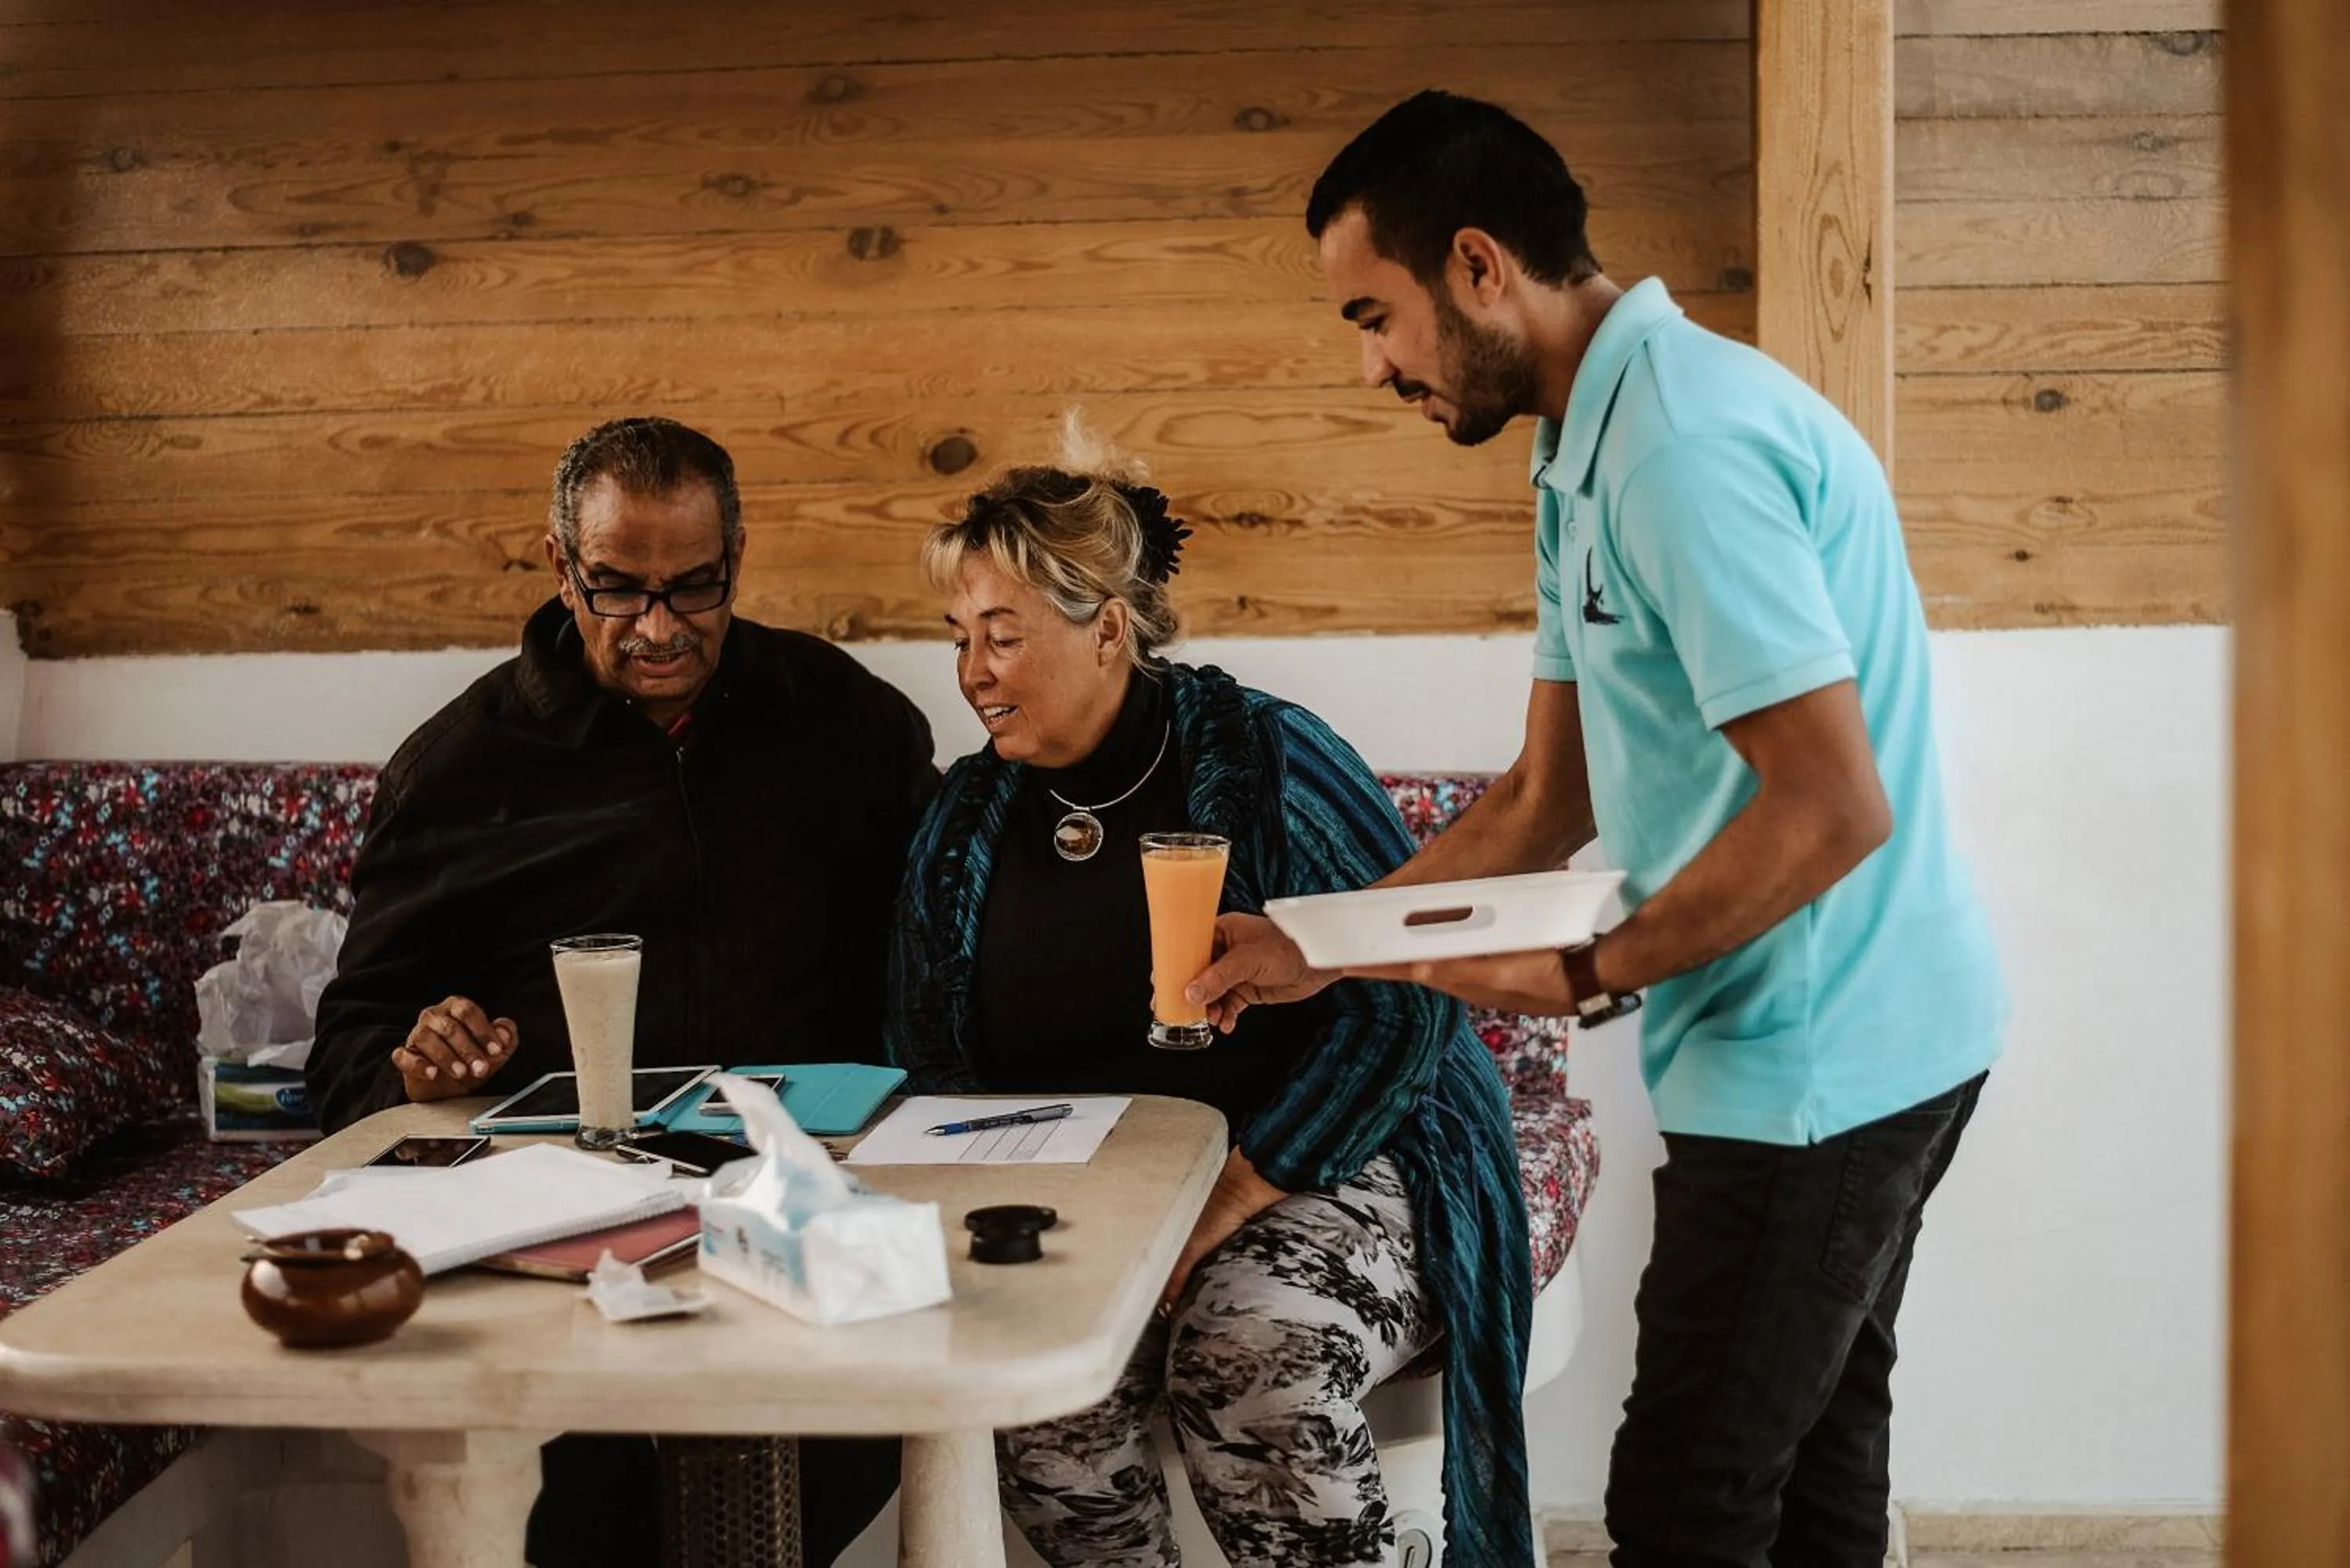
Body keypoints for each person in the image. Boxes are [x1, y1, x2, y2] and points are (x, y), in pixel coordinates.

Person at [1190, 92, 2008, 1568]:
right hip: (1840, 1040)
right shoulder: (1588, 442)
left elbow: (1832, 802)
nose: (1370, 363)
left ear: (1481, 267)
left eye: (1378, 315)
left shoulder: (1679, 448)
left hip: (1829, 1059)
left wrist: (1591, 973)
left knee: (1688, 1505)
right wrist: (1322, 940)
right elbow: (1540, 799)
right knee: (1813, 1465)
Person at [884, 428, 1535, 1568]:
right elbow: (934, 1060)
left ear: (1107, 628)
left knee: (1251, 1351)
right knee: (1039, 1398)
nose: (973, 671)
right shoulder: (965, 822)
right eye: (959, 638)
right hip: (1106, 1188)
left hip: (1339, 1153)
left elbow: (1407, 1000)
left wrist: (1230, 1198)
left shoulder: (1268, 757)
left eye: (1002, 635)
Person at [307, 415, 935, 1568]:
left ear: (738, 556)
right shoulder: (459, 770)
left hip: (810, 1186)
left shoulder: (848, 723)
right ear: (560, 565)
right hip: (557, 1217)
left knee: (794, 1484)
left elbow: (952, 946)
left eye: (693, 588)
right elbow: (348, 1041)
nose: (658, 627)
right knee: (574, 1497)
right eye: (617, 589)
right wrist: (414, 1057)